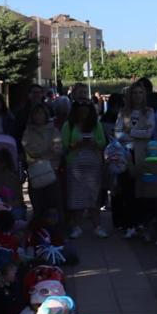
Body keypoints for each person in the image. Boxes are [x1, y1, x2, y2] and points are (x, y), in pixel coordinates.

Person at [114, 82, 156, 239]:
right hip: (126, 153)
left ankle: (142, 222)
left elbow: (149, 133)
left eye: (140, 93)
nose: (137, 96)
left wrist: (131, 131)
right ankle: (129, 224)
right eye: (134, 93)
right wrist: (133, 134)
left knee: (142, 190)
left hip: (142, 154)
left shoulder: (149, 112)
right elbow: (118, 133)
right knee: (127, 189)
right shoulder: (123, 112)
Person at [61, 101, 106, 238]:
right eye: (80, 111)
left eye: (86, 111)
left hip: (93, 165)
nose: (83, 114)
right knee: (76, 195)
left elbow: (102, 142)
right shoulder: (68, 125)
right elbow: (64, 145)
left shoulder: (96, 125)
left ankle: (97, 226)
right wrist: (76, 145)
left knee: (94, 195)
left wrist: (94, 143)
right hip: (75, 165)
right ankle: (77, 226)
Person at [21, 102, 62, 218]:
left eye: (41, 113)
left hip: (51, 171)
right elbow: (28, 148)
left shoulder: (53, 130)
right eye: (36, 114)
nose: (38, 116)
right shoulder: (28, 131)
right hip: (35, 172)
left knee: (53, 205)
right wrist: (44, 153)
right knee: (38, 206)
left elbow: (57, 149)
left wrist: (43, 156)